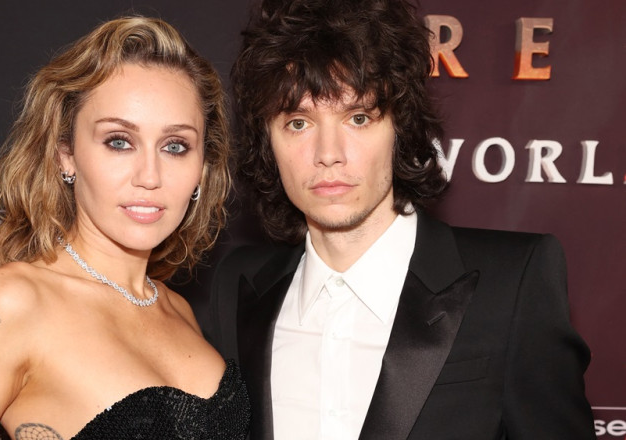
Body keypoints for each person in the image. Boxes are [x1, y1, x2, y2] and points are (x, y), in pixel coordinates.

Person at [205, 0, 595, 438]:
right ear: (267, 141)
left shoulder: (514, 285)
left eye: (357, 118)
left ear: (400, 129)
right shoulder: (235, 287)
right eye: (298, 123)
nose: (328, 154)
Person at [0, 16, 249, 440]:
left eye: (175, 146)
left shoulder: (178, 310)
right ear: (66, 153)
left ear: (202, 165)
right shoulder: (12, 302)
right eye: (119, 141)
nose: (150, 176)